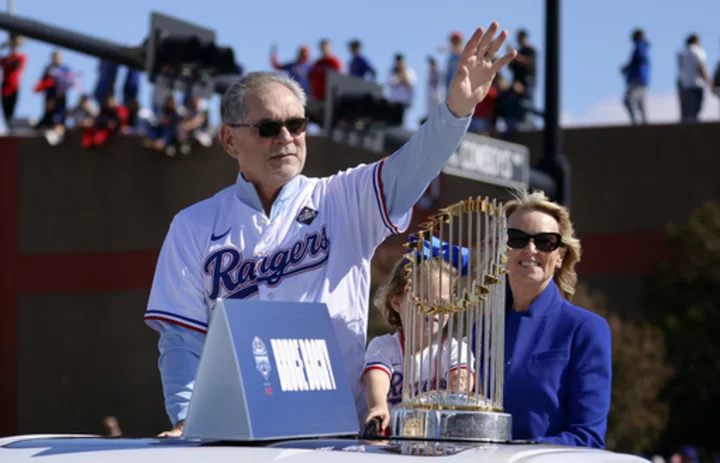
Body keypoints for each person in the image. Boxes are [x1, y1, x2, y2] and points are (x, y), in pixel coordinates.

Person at [144, 23, 517, 437]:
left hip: (333, 434)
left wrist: (455, 112)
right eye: (268, 128)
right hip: (235, 434)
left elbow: (412, 168)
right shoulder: (194, 225)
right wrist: (185, 419)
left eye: (297, 125)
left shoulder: (341, 197)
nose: (286, 138)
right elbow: (181, 340)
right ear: (230, 141)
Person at [473, 189, 612, 448]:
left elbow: (587, 438)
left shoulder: (586, 330)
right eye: (515, 238)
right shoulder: (478, 329)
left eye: (545, 241)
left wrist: (511, 454)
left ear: (560, 255)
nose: (530, 249)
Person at [362, 238, 474, 433]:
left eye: (443, 302)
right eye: (422, 301)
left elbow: (461, 380)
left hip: (440, 439)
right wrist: (378, 405)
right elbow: (377, 375)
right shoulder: (384, 346)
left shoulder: (456, 348)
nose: (433, 310)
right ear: (397, 303)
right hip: (391, 442)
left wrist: (459, 391)